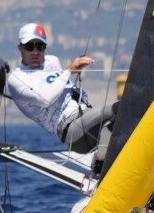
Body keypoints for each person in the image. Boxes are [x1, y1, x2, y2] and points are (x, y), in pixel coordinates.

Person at [6, 22, 114, 154]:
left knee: (127, 116)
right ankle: (100, 166)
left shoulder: (53, 61)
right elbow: (44, 99)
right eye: (30, 46)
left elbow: (62, 88)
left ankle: (103, 163)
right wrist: (69, 71)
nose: (35, 52)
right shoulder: (17, 78)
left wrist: (71, 72)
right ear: (20, 47)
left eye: (40, 46)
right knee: (117, 108)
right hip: (71, 130)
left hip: (86, 115)